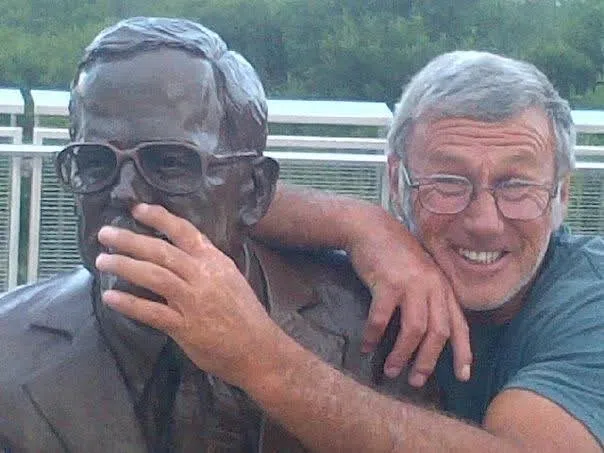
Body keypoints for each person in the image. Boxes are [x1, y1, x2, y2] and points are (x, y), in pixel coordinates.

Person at [101, 51, 604, 452]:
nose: (483, 221)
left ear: (562, 194)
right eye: (448, 182)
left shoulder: (590, 299)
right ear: (397, 181)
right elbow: (189, 199)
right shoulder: (373, 263)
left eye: (517, 186)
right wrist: (356, 223)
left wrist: (259, 358)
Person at [0, 17, 431, 453]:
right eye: (94, 162)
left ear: (254, 191)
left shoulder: (376, 333)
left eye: (169, 163)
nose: (123, 191)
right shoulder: (7, 342)